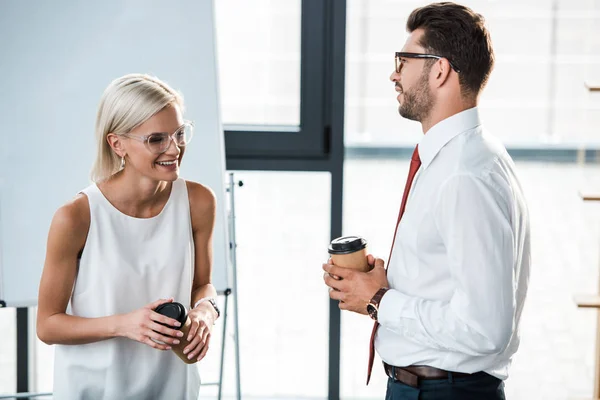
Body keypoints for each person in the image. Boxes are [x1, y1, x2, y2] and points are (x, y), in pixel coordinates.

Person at [323, 2, 530, 399]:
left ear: (440, 69)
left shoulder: (465, 174)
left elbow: (485, 328)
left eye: (404, 60)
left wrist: (379, 299)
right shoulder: (459, 157)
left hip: (443, 392)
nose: (393, 73)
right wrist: (386, 284)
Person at [36, 73, 220, 399]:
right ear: (117, 143)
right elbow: (48, 325)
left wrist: (206, 309)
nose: (174, 147)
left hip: (172, 386)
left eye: (179, 133)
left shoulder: (199, 201)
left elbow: (201, 285)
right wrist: (125, 325)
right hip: (94, 389)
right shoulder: (76, 216)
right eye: (156, 139)